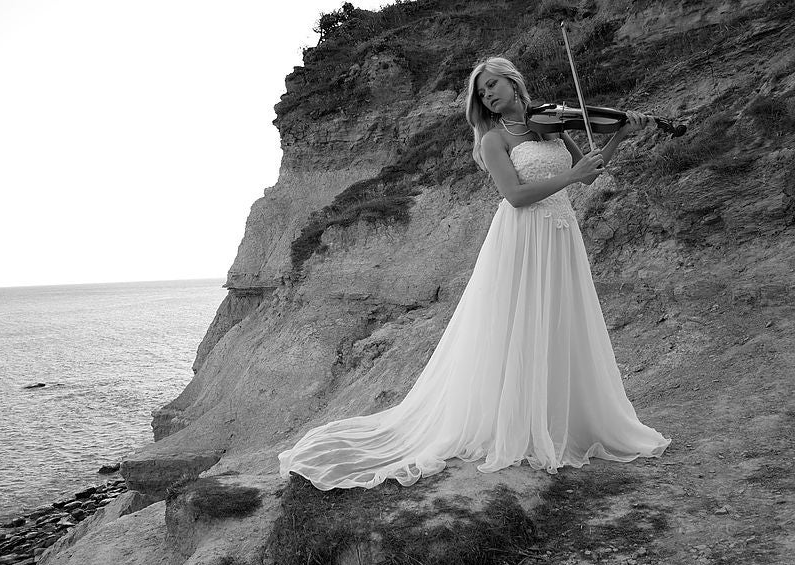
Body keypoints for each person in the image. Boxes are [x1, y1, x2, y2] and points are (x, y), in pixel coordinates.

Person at [278, 56, 672, 491]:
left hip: (560, 234)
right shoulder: (493, 140)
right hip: (524, 236)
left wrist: (619, 133)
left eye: (492, 85)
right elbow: (516, 195)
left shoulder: (551, 126)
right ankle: (517, 425)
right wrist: (572, 174)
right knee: (517, 325)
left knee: (561, 321)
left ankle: (561, 419)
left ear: (514, 83)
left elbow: (589, 176)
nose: (487, 95)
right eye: (482, 91)